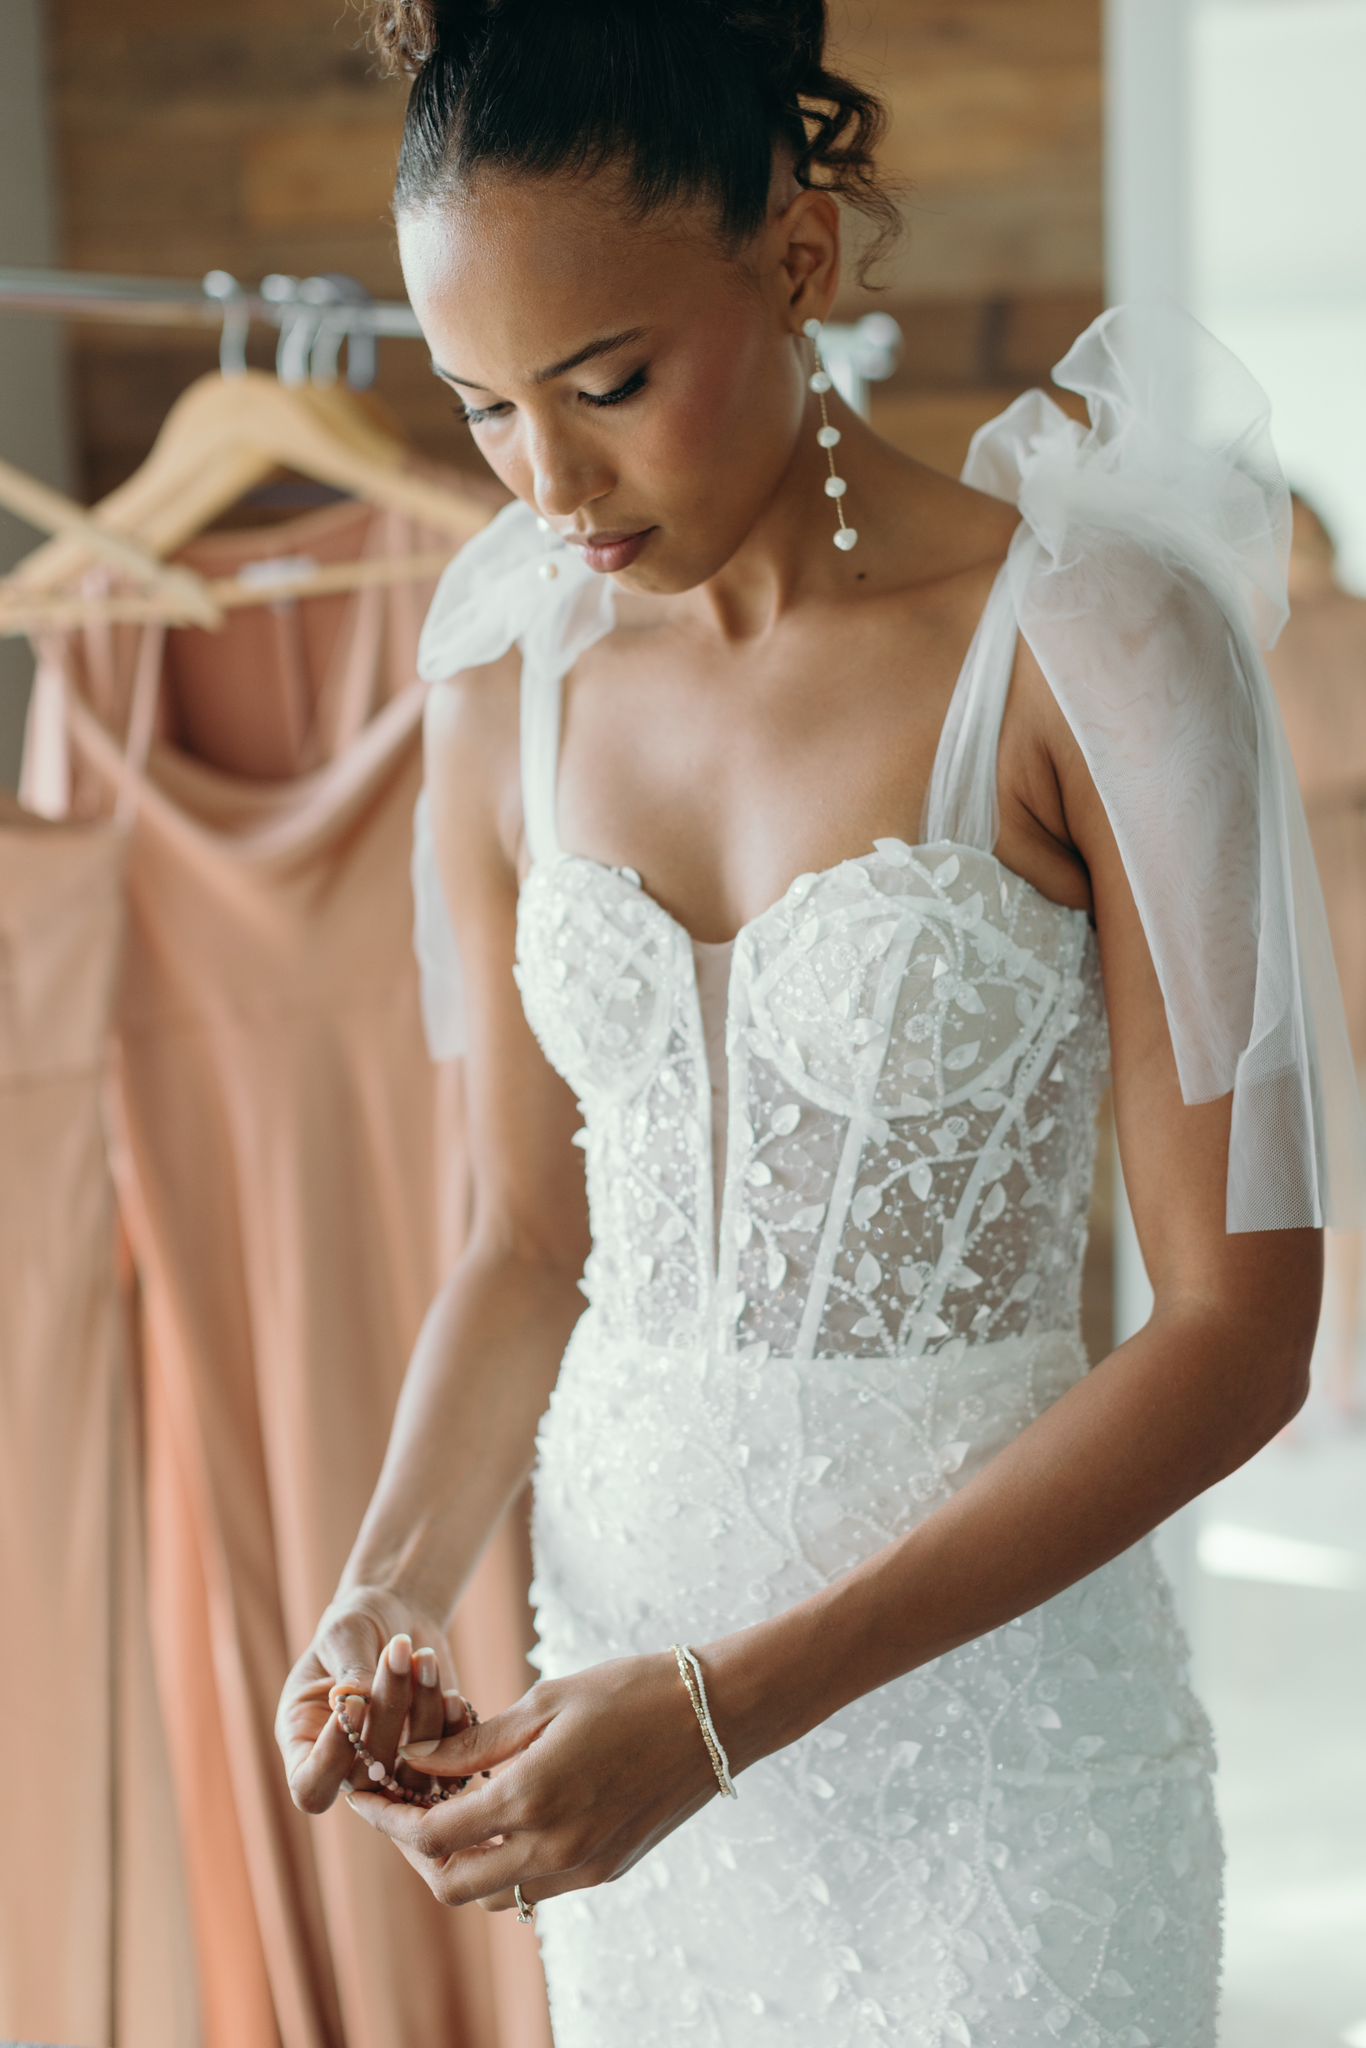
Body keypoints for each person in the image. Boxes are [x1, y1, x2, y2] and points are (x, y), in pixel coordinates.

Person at [275, 4, 1366, 2042]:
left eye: (604, 382)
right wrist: (383, 1586)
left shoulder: (1087, 642)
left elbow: (1237, 1329)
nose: (547, 478)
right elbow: (525, 1243)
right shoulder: (503, 675)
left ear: (791, 255)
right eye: (481, 408)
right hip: (621, 1757)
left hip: (991, 1770)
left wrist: (724, 1710)